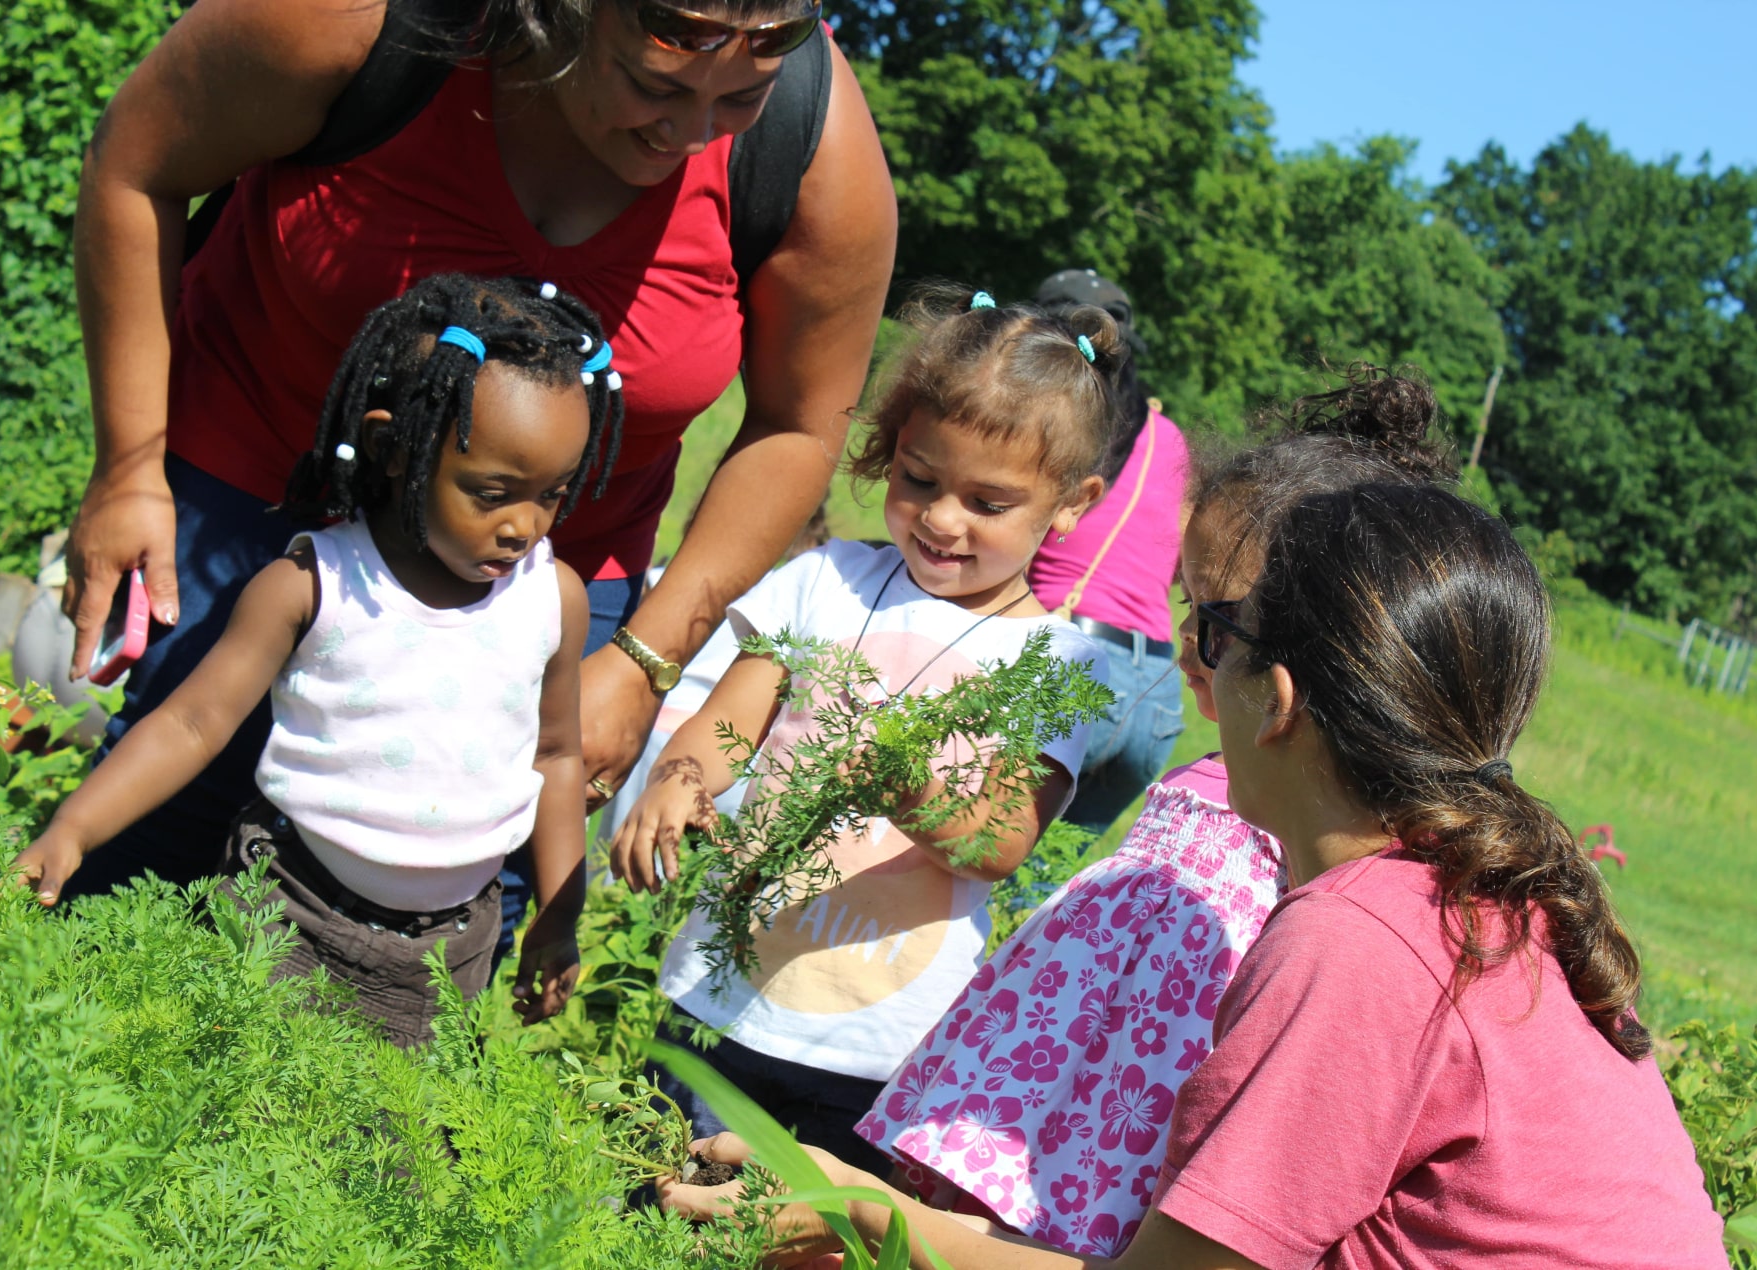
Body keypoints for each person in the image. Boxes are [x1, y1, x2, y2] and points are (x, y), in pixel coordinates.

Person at [661, 477, 1729, 1267]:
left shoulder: (1361, 940)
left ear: (1281, 697)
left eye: (1220, 631)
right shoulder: (1473, 894)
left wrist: (864, 1213)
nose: (1194, 657)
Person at [58, 0, 897, 970]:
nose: (691, 131)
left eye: (738, 99)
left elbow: (799, 424)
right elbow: (136, 166)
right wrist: (128, 469)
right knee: (148, 864)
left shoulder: (810, 140)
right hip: (260, 496)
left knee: (431, 935)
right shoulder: (354, 21)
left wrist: (644, 661)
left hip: (540, 588)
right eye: (654, 85)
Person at [855, 367, 1456, 1255]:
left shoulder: (1323, 832)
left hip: (1130, 1128)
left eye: (1220, 618)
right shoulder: (1242, 774)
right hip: (1045, 1098)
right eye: (1189, 604)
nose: (1186, 643)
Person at [610, 287, 1125, 1173]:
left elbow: (998, 838)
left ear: (1071, 504)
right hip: (717, 990)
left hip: (872, 1042)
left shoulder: (1059, 664)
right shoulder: (826, 581)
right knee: (657, 1197)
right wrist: (679, 780)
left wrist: (915, 790)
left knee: (801, 1232)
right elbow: (724, 723)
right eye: (918, 478)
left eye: (987, 502)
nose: (941, 517)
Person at [13, 275, 602, 1048]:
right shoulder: (311, 585)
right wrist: (73, 828)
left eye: (552, 495)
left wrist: (559, 919)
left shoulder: (551, 598)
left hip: (447, 952)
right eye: (492, 492)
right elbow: (192, 723)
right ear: (399, 452)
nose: (523, 526)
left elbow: (556, 756)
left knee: (388, 1157)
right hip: (287, 909)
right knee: (238, 1109)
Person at [1028, 270, 1188, 834]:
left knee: (977, 861)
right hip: (1157, 694)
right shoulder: (1169, 440)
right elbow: (1174, 564)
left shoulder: (1051, 421)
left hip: (1069, 662)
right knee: (1044, 889)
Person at [597, 502, 831, 838]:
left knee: (623, 856)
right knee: (711, 869)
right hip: (733, 748)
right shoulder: (775, 591)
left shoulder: (665, 581)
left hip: (658, 733)